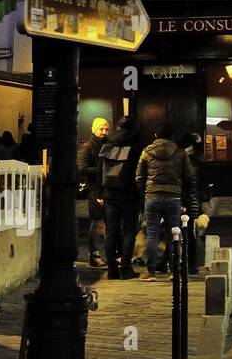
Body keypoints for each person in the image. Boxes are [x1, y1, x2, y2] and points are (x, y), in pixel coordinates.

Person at [136, 122, 195, 281]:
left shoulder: (146, 152)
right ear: (171, 136)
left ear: (156, 135)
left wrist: (144, 194)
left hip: (152, 196)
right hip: (173, 196)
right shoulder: (180, 153)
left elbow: (139, 177)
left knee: (152, 234)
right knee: (174, 234)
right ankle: (174, 271)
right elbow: (189, 176)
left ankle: (151, 272)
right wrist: (184, 196)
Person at [100, 116, 143, 279]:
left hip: (110, 192)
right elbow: (139, 172)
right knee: (129, 231)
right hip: (129, 192)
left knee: (111, 231)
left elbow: (100, 168)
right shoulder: (136, 144)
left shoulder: (108, 142)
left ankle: (112, 269)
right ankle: (125, 268)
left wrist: (101, 191)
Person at [76, 117, 111, 267]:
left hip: (106, 187)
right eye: (101, 129)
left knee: (107, 223)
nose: (104, 132)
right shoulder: (88, 147)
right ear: (93, 129)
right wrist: (102, 170)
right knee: (97, 223)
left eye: (106, 129)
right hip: (95, 189)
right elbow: (82, 168)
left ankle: (107, 254)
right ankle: (94, 255)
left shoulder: (107, 145)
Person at [177, 131, 207, 274]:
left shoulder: (189, 160)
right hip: (194, 201)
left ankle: (188, 265)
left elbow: (188, 183)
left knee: (185, 233)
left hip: (187, 201)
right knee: (189, 233)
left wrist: (183, 202)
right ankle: (191, 265)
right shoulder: (198, 159)